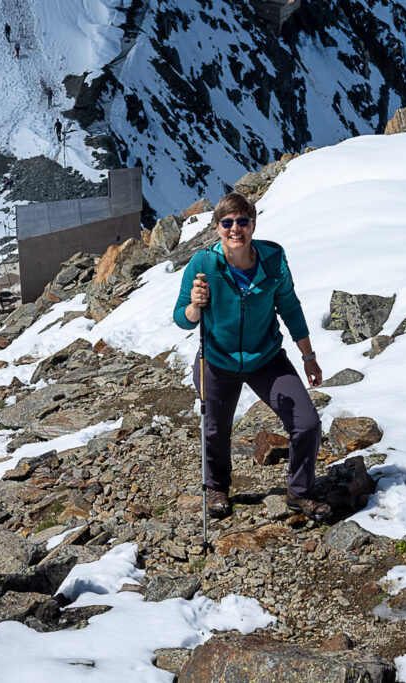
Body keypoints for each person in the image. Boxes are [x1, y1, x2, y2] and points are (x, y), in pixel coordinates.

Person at [173, 192, 331, 522]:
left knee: (308, 423)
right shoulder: (203, 265)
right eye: (227, 223)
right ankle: (216, 487)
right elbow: (182, 318)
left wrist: (308, 357)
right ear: (217, 228)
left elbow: (290, 307)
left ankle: (299, 492)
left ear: (253, 225)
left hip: (267, 359)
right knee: (215, 430)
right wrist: (195, 305)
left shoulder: (273, 259)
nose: (235, 229)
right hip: (217, 360)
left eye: (242, 222)